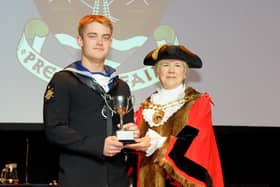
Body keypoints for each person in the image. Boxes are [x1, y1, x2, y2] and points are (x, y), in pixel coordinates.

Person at [43, 14, 139, 187]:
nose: (100, 42)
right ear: (80, 40)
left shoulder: (121, 85)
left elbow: (125, 128)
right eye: (92, 36)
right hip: (79, 178)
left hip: (117, 179)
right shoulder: (63, 80)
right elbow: (54, 129)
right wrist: (98, 145)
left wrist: (130, 133)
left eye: (105, 37)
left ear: (111, 42)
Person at [125, 44, 224, 187]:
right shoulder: (145, 107)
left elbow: (194, 145)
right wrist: (130, 136)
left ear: (185, 72)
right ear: (157, 71)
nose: (171, 70)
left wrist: (157, 143)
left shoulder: (198, 103)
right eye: (165, 65)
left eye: (177, 65)